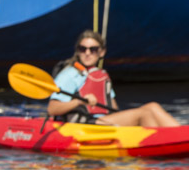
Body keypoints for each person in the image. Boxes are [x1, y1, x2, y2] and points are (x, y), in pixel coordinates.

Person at [48, 31, 179, 127]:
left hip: (104, 121)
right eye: (83, 49)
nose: (87, 53)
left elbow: (113, 107)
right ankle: (157, 147)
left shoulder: (101, 75)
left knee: (152, 106)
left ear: (102, 52)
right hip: (85, 124)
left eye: (93, 49)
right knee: (143, 114)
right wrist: (79, 102)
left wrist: (124, 119)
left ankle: (181, 135)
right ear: (78, 51)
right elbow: (52, 109)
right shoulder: (70, 74)